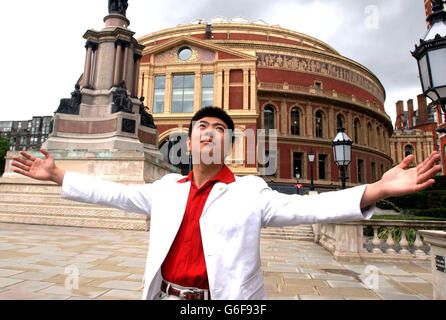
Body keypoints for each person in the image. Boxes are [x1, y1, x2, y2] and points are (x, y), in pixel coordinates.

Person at [11, 107, 441, 300]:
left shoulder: (251, 192)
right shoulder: (166, 189)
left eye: (219, 128)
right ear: (190, 140)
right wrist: (58, 175)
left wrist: (378, 190)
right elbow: (115, 195)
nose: (209, 132)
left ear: (229, 142)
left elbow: (311, 209)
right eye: (202, 127)